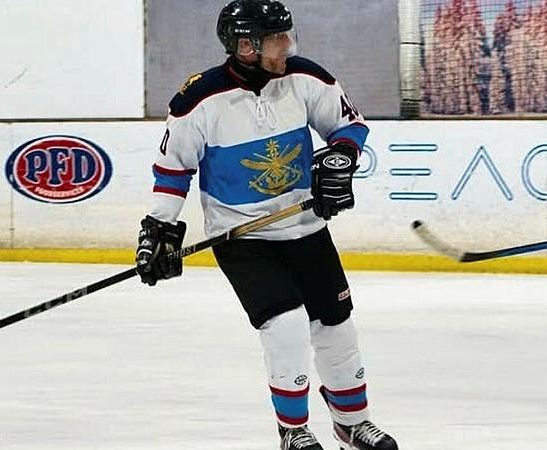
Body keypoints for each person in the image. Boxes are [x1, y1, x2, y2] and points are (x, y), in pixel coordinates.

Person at [134, 1, 398, 449]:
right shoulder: (197, 100)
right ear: (245, 46)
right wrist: (159, 229)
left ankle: (352, 422)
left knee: (336, 324)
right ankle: (293, 430)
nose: (286, 46)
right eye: (276, 39)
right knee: (287, 326)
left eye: (286, 36)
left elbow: (348, 125)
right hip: (244, 240)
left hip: (306, 229)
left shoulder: (305, 77)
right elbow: (174, 170)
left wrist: (342, 156)